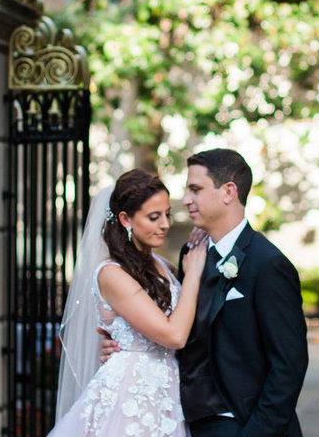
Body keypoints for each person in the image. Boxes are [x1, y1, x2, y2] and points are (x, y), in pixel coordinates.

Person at [102, 149, 309, 437]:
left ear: (228, 192)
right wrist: (126, 346)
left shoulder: (268, 264)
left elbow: (289, 365)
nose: (186, 199)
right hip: (185, 421)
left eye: (195, 189)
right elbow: (180, 329)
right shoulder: (191, 254)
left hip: (243, 423)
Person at [50, 169, 208, 437]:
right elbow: (174, 335)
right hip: (131, 395)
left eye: (167, 214)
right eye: (153, 217)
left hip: (168, 387)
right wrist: (193, 274)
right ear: (125, 219)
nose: (165, 225)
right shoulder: (112, 273)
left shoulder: (162, 265)